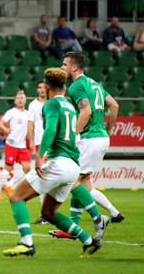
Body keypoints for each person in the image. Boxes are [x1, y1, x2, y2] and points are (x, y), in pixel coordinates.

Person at [2, 68, 103, 258]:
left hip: (59, 163)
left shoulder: (49, 105)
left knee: (16, 196)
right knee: (49, 213)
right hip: (73, 166)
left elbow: (49, 131)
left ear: (47, 88)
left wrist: (40, 155)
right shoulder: (69, 106)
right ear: (64, 87)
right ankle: (89, 241)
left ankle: (26, 244)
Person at [50, 51, 123, 239]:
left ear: (74, 67)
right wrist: (107, 130)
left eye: (64, 64)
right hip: (100, 137)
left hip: (90, 138)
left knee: (73, 181)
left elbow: (86, 111)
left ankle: (98, 219)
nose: (62, 67)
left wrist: (72, 135)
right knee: (83, 184)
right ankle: (109, 215)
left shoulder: (76, 86)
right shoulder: (95, 84)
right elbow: (114, 106)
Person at [0, 91, 30, 200]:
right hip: (11, 144)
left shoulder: (28, 114)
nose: (20, 100)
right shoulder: (11, 112)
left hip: (22, 145)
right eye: (18, 98)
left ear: (25, 100)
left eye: (22, 98)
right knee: (8, 167)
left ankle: (9, 185)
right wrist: (5, 129)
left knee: (27, 168)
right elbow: (0, 123)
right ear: (15, 101)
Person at [27, 80, 48, 224]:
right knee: (43, 176)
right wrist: (31, 139)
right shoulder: (33, 105)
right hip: (41, 142)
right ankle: (46, 214)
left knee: (44, 177)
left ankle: (47, 214)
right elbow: (31, 123)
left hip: (52, 142)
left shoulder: (53, 102)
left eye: (43, 87)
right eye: (39, 88)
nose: (41, 90)